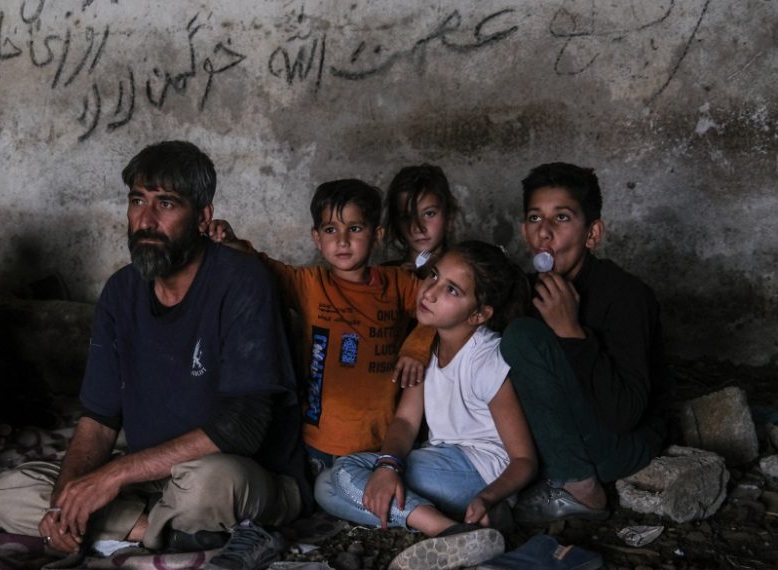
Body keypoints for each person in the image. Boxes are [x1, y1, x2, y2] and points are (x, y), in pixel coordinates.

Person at [0, 141, 309, 570]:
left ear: (203, 218)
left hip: (244, 476)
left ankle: (141, 529)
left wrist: (113, 476)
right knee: (12, 491)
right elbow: (99, 420)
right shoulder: (120, 292)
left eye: (167, 204)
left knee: (211, 482)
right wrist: (65, 504)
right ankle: (170, 534)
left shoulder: (242, 282)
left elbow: (244, 427)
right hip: (153, 480)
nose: (146, 219)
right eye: (137, 200)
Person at [314, 241, 536, 569]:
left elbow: (523, 459)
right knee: (325, 488)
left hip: (480, 474)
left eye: (451, 289)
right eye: (433, 275)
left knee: (347, 471)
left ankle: (444, 529)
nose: (429, 292)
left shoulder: (486, 359)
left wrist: (489, 496)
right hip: (442, 463)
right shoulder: (425, 348)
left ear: (479, 314)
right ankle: (454, 527)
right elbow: (405, 422)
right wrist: (388, 466)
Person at [209, 179, 434, 473]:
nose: (342, 240)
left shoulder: (398, 284)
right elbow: (262, 266)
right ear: (316, 238)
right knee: (327, 496)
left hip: (382, 439)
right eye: (331, 230)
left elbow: (440, 309)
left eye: (354, 229)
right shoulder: (311, 284)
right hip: (319, 440)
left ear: (376, 234)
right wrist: (231, 241)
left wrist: (416, 348)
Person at [500, 162, 670, 524]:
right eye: (534, 218)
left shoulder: (627, 296)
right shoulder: (524, 291)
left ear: (592, 234)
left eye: (561, 218)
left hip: (619, 446)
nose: (544, 233)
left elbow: (625, 415)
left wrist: (572, 333)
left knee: (522, 337)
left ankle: (580, 490)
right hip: (556, 434)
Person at [383, 164, 458, 273]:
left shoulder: (464, 277)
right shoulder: (385, 276)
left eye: (429, 213)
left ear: (449, 217)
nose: (418, 227)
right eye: (407, 217)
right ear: (397, 223)